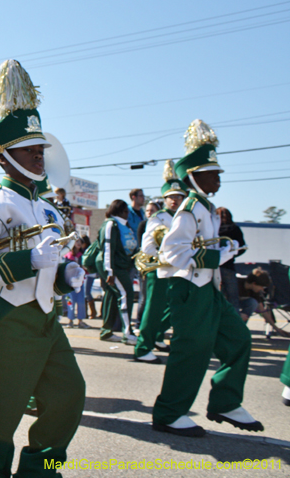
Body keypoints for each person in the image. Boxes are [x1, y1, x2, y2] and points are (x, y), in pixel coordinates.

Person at [0, 59, 85, 477]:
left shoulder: (45, 205)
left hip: (47, 315)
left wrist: (64, 275)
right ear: (4, 156)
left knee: (68, 397)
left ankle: (40, 470)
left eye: (40, 148)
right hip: (9, 315)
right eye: (30, 149)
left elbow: (49, 261)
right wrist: (26, 261)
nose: (39, 155)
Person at [152, 119, 262, 437]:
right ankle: (169, 413)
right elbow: (172, 254)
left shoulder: (207, 208)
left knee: (239, 340)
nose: (218, 178)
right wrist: (219, 254)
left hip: (207, 288)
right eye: (212, 173)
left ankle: (226, 403)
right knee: (192, 351)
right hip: (188, 289)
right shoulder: (188, 209)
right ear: (194, 176)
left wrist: (223, 247)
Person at [133, 161, 186, 364]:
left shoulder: (183, 216)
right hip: (160, 268)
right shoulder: (159, 216)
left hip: (178, 269)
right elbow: (147, 245)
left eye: (178, 197)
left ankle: (157, 336)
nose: (175, 200)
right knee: (154, 309)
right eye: (171, 197)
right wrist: (164, 258)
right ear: (165, 199)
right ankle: (142, 348)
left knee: (174, 307)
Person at [96, 199, 138, 344]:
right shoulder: (110, 224)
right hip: (113, 266)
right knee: (126, 293)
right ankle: (128, 333)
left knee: (112, 296)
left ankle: (106, 331)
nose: (127, 214)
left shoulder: (123, 225)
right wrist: (110, 271)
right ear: (118, 211)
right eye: (126, 211)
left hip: (120, 265)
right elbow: (107, 247)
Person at [216, 207, 246, 312]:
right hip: (228, 267)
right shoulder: (234, 229)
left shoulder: (213, 229)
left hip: (214, 266)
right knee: (233, 298)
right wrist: (230, 255)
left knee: (215, 296)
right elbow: (242, 247)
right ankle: (235, 323)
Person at [63, 237, 89, 329]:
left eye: (80, 242)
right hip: (70, 283)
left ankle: (80, 320)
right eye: (76, 241)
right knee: (70, 301)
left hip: (80, 282)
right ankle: (70, 320)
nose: (78, 243)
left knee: (81, 301)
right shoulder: (68, 256)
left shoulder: (83, 255)